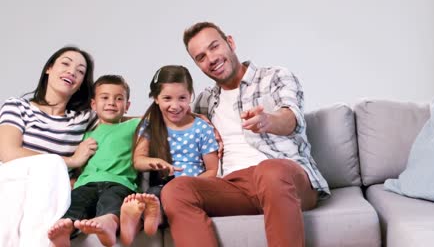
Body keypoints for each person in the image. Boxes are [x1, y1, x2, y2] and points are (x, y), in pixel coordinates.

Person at [159, 22, 331, 247]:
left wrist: (268, 121)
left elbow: (292, 119)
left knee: (270, 171)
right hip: (234, 186)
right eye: (201, 57)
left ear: (230, 42)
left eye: (214, 47)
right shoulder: (204, 101)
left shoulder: (274, 76)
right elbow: (168, 121)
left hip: (285, 178)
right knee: (175, 190)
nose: (211, 59)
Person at [0, 46, 97, 247]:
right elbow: (7, 152)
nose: (72, 71)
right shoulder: (18, 106)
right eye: (65, 63)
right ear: (49, 69)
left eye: (80, 71)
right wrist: (70, 161)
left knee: (50, 174)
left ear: (80, 85)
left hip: (48, 192)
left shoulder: (83, 118)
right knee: (50, 166)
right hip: (10, 179)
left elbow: (125, 124)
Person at [119, 65, 219, 246]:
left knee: (167, 197)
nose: (175, 105)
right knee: (153, 194)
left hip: (193, 189)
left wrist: (190, 183)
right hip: (163, 187)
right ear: (156, 98)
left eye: (182, 98)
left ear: (191, 96)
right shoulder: (151, 125)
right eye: (167, 98)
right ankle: (140, 218)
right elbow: (138, 161)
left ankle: (151, 218)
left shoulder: (202, 128)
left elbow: (212, 170)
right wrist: (154, 162)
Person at [47, 75, 141, 247]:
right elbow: (80, 164)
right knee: (76, 203)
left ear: (127, 106)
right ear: (93, 105)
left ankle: (108, 223)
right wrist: (73, 179)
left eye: (119, 99)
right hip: (86, 184)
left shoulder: (133, 125)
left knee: (112, 201)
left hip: (119, 182)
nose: (111, 102)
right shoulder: (85, 134)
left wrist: (192, 115)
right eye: (104, 98)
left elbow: (159, 118)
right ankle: (66, 230)